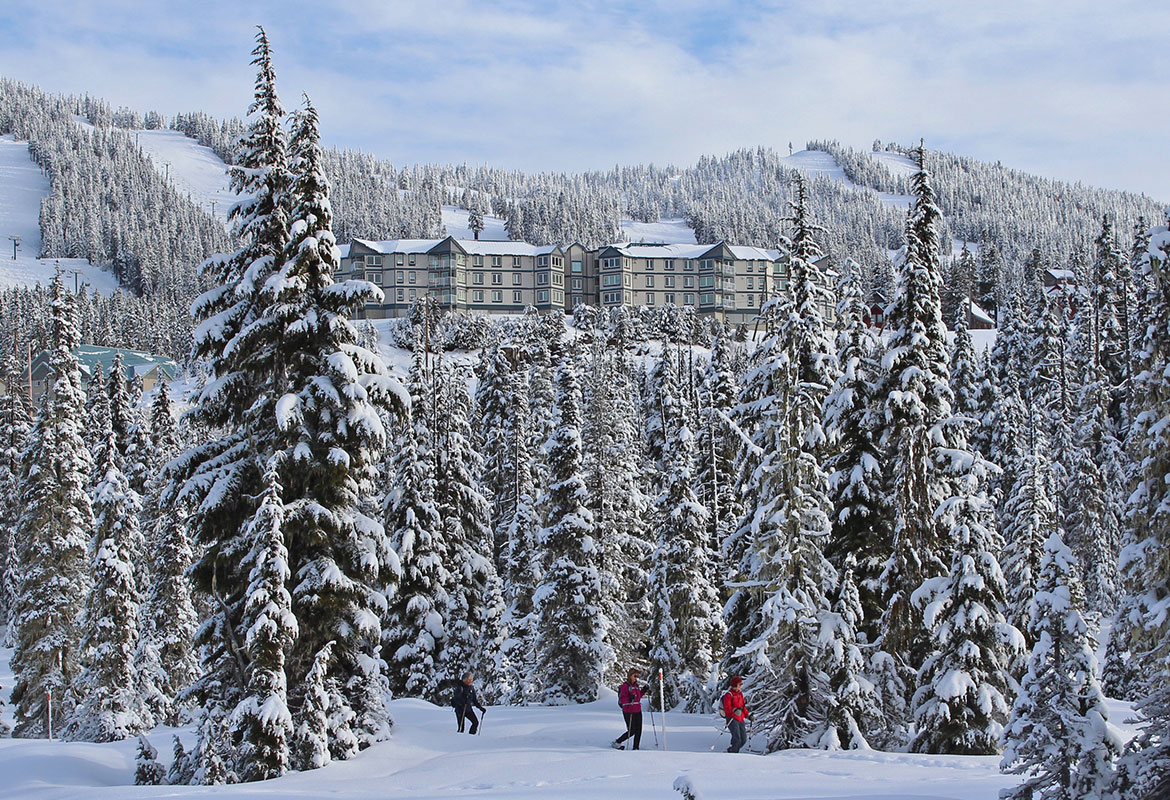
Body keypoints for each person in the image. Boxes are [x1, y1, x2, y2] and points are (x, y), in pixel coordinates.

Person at [611, 668, 647, 750]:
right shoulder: (625, 686)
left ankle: (636, 748)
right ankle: (617, 742)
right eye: (635, 676)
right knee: (632, 730)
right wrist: (629, 698)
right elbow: (622, 699)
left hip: (637, 710)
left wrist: (644, 691)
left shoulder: (636, 686)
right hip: (628, 710)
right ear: (630, 675)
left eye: (637, 676)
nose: (636, 678)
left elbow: (637, 697)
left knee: (639, 730)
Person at [721, 676, 749, 753]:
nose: (741, 686)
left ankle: (732, 750)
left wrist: (748, 715)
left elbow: (743, 706)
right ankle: (733, 754)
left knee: (743, 739)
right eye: (740, 684)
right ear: (735, 684)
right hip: (732, 719)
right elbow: (727, 708)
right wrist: (734, 711)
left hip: (740, 718)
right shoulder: (729, 695)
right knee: (737, 739)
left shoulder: (740, 694)